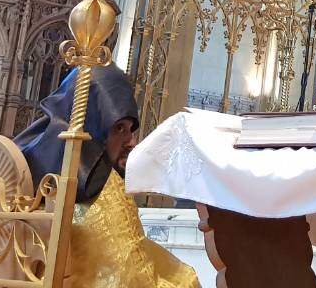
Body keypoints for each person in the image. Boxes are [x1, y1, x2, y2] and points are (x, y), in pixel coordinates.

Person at [14, 65, 200, 288]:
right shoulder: (104, 188)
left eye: (131, 129)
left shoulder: (28, 158)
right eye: (119, 128)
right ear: (92, 126)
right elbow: (132, 277)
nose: (132, 141)